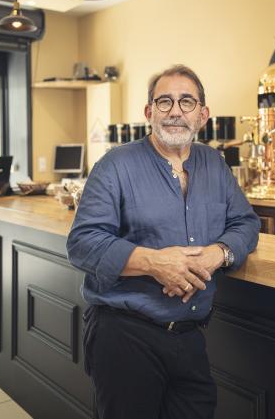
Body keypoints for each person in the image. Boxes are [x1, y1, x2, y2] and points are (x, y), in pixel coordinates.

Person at [67, 64, 260, 419]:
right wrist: (155, 263)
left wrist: (219, 253)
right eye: (165, 101)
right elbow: (82, 242)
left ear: (202, 114)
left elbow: (246, 223)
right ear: (149, 112)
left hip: (189, 338)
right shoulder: (114, 166)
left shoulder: (215, 164)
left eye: (186, 102)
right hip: (124, 335)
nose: (175, 111)